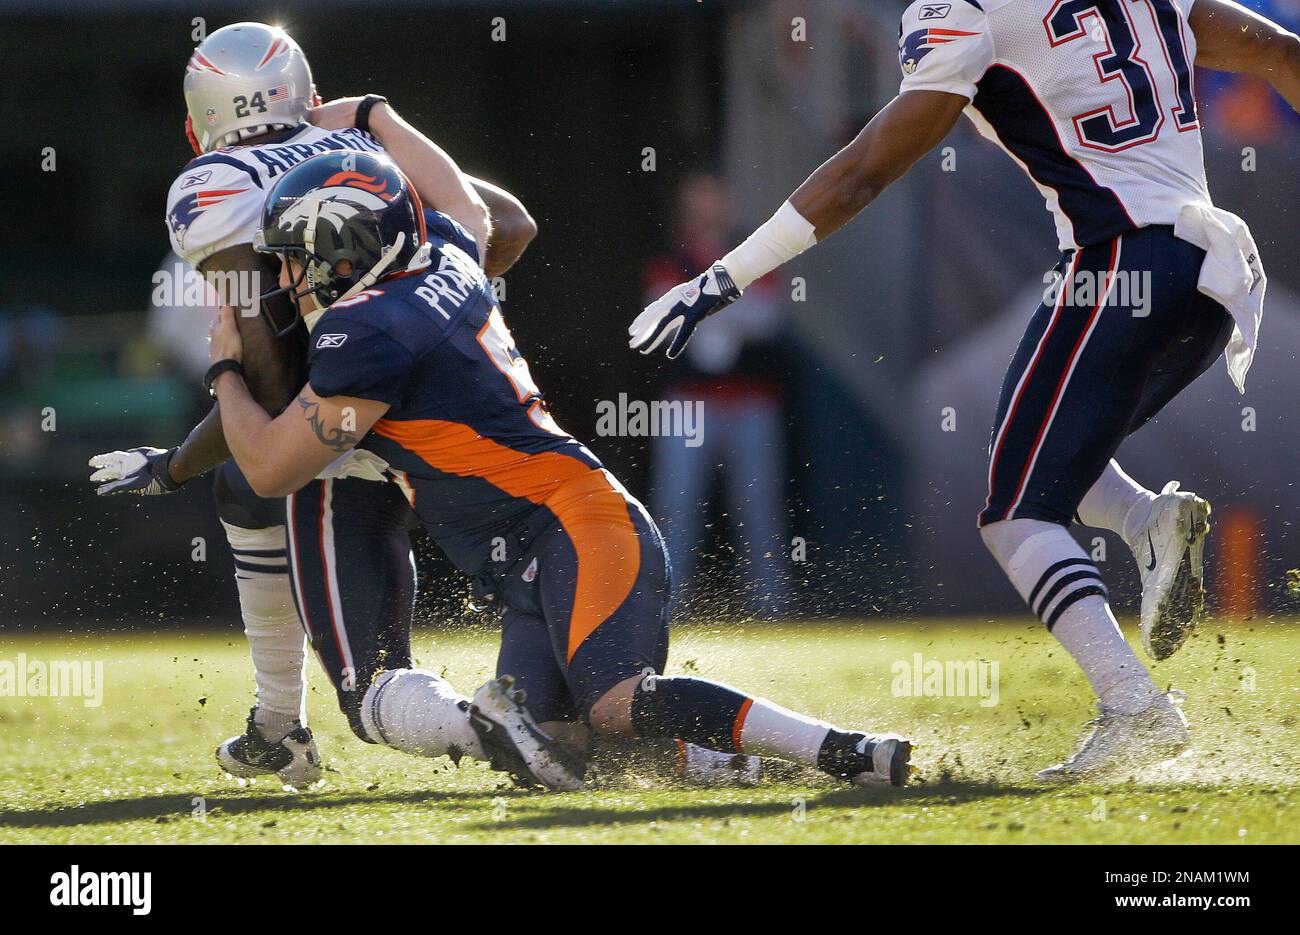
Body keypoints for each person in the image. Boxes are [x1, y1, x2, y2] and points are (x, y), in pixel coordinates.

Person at [632, 0, 1290, 780]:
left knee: (1015, 512)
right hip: (1210, 278)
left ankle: (1134, 705)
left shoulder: (970, 13)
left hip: (1120, 264)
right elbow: (1277, 50)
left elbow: (863, 170)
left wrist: (723, 276)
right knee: (1038, 459)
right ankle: (1147, 521)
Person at [206, 148, 915, 790]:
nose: (282, 278)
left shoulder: (364, 328)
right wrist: (375, 118)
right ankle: (738, 762)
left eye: (292, 257)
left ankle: (846, 749)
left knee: (616, 703)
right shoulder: (447, 252)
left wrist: (226, 369)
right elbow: (468, 203)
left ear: (344, 253)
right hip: (536, 556)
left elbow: (268, 471)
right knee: (559, 753)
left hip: (574, 525)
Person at [87, 22, 538, 786]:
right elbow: (513, 225)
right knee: (561, 595)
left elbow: (265, 384)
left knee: (365, 682)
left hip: (350, 432)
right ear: (309, 97)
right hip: (472, 410)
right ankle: (278, 726)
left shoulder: (215, 187)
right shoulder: (365, 150)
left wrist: (175, 464)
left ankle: (474, 723)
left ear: (198, 124)